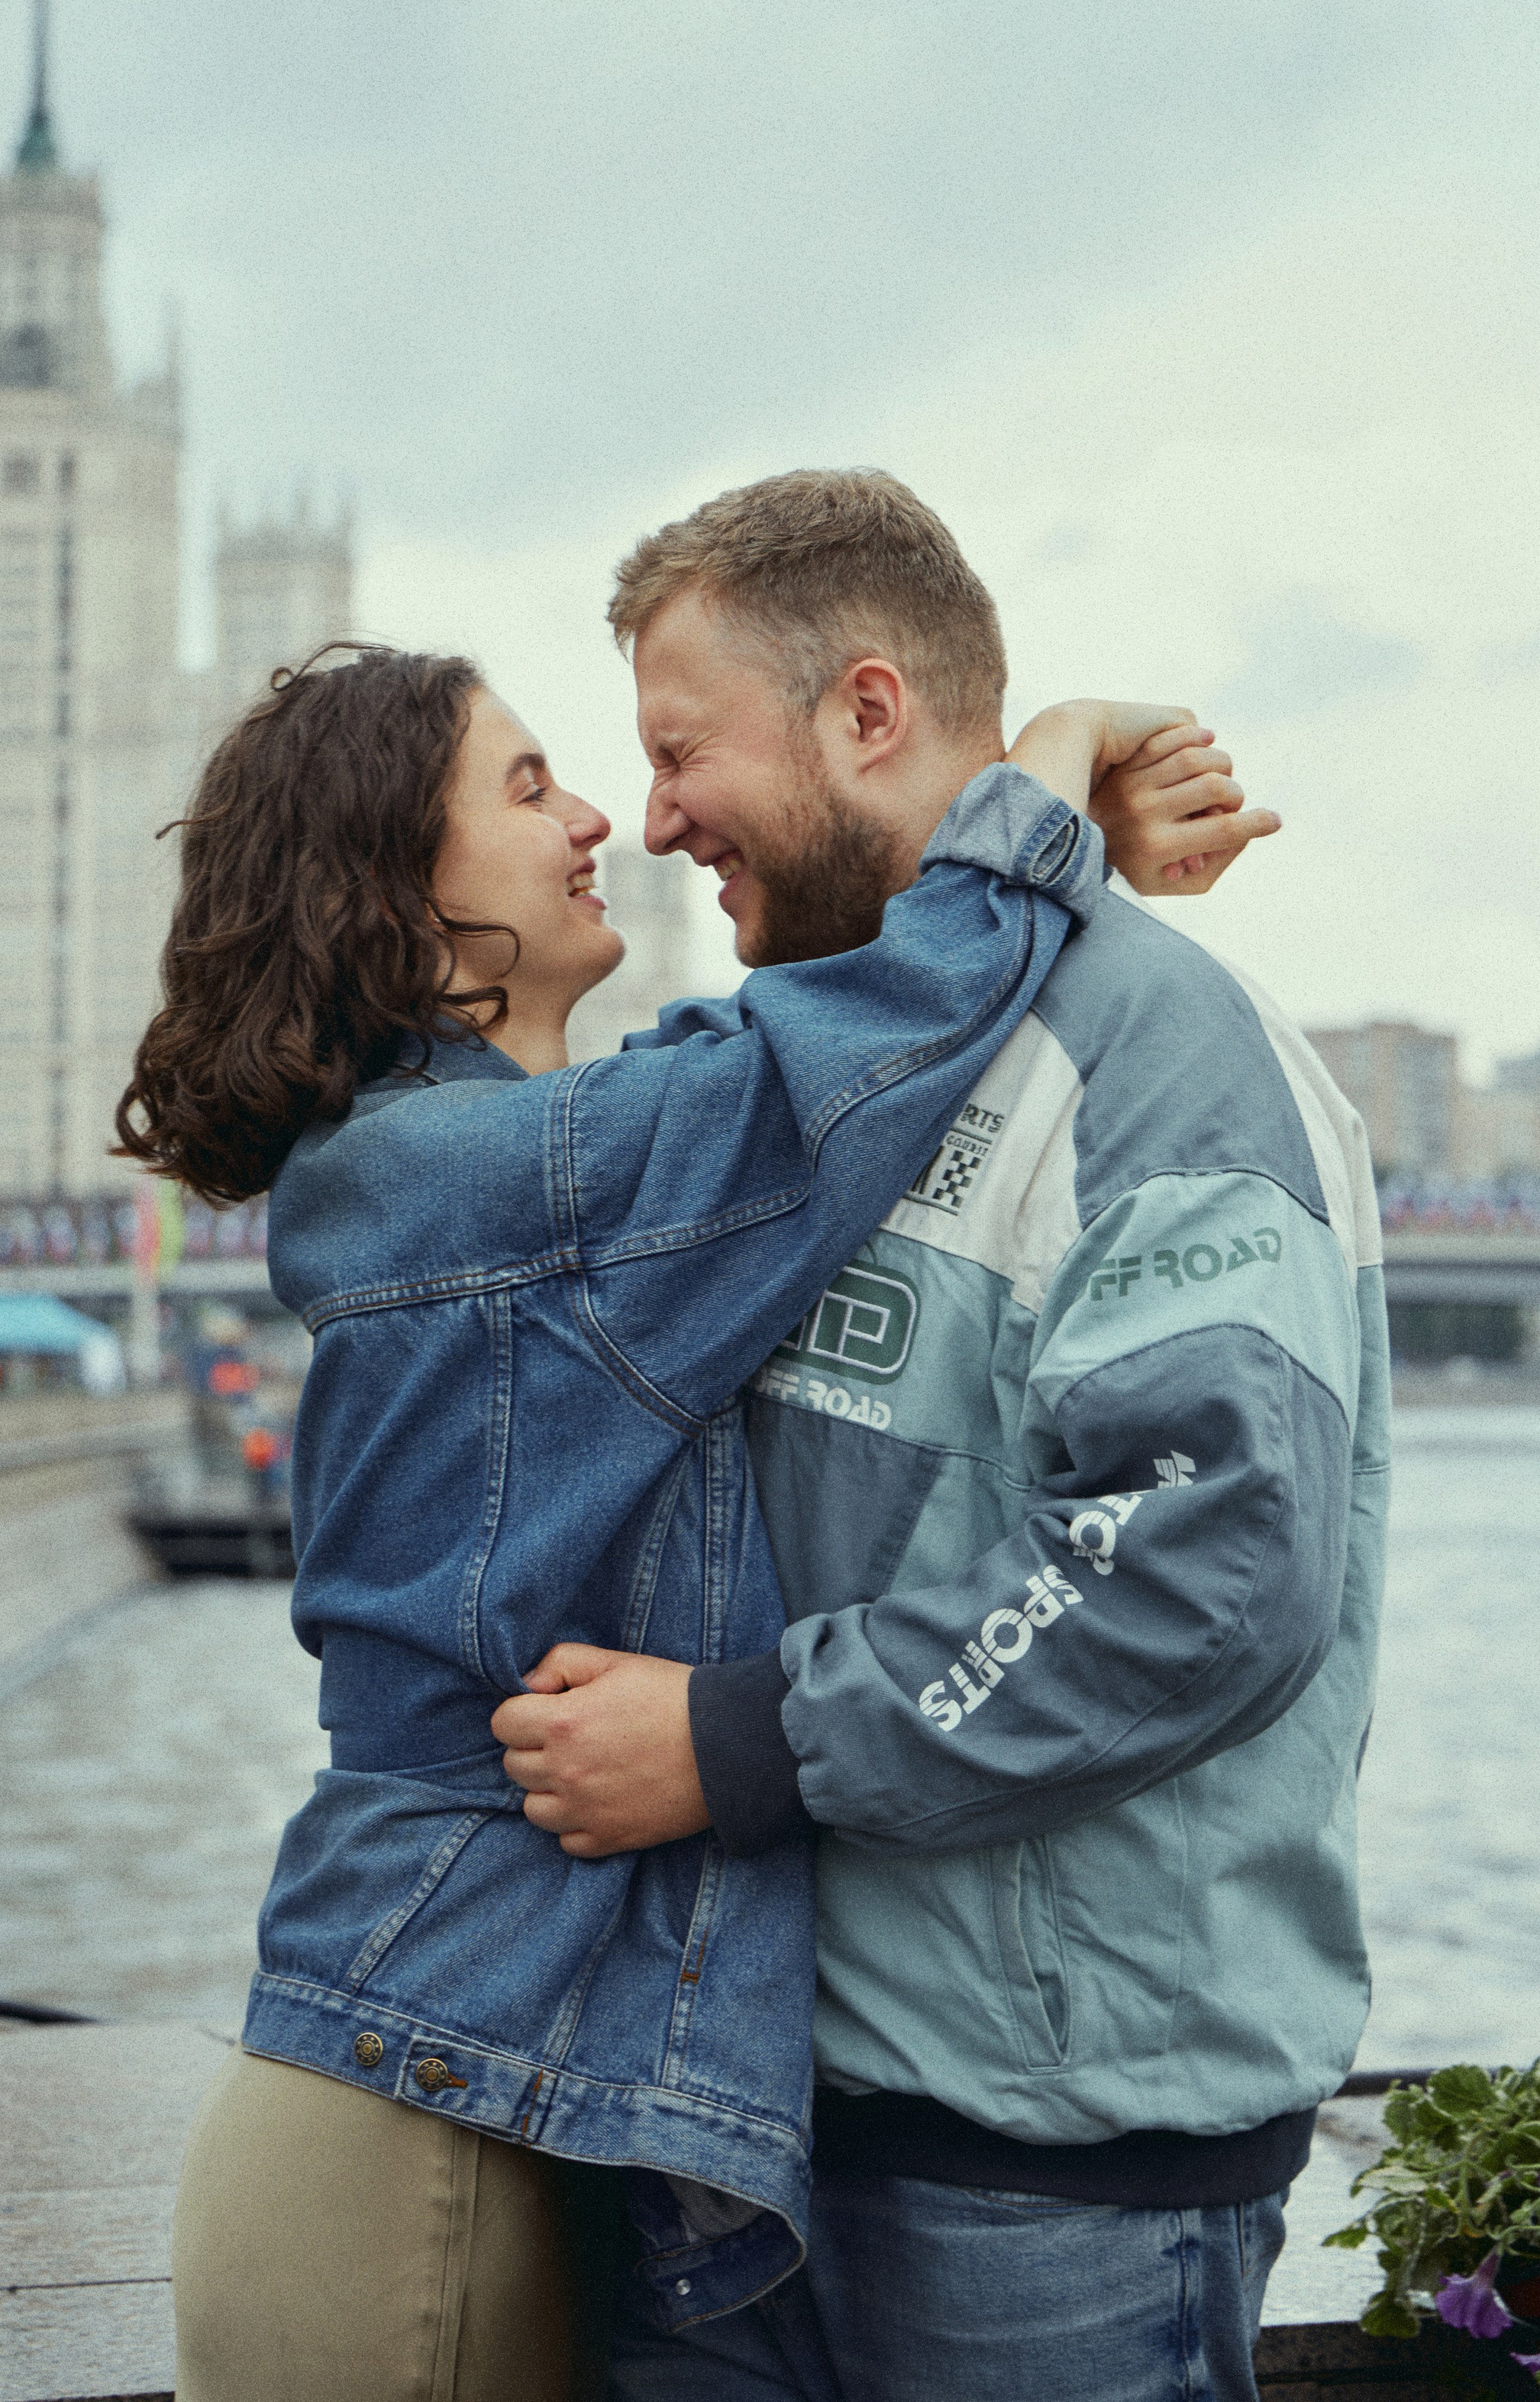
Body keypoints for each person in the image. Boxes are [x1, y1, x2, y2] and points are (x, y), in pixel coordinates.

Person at [117, 635, 1238, 2401]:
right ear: (399, 905)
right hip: (422, 2104)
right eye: (523, 785)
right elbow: (842, 1049)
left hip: (469, 2059)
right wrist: (1052, 759)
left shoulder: (500, 1163)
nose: (589, 821)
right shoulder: (487, 1179)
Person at [492, 468, 1387, 2402]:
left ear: (866, 713)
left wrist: (730, 1738)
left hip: (1045, 2175)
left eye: (675, 752)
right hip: (744, 2118)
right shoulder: (806, 1064)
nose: (647, 820)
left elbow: (1207, 1554)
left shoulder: (1153, 1055)